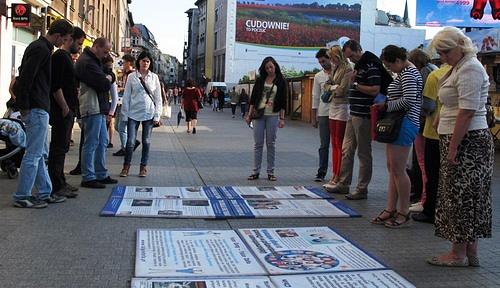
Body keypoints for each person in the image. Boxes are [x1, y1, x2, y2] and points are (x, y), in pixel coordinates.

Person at [426, 27, 493, 267]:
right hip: (462, 139)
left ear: (459, 46)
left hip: (468, 142)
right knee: (464, 195)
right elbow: (453, 101)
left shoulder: (471, 68)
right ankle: (470, 250)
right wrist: (439, 118)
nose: (442, 57)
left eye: (445, 52)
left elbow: (466, 111)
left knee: (461, 197)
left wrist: (453, 147)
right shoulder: (459, 66)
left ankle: (457, 253)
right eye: (440, 53)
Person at [12, 19, 74, 208]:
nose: (63, 44)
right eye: (63, 40)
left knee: (40, 154)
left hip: (38, 106)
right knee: (33, 154)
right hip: (36, 107)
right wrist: (24, 106)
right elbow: (26, 78)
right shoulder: (41, 49)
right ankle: (22, 195)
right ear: (57, 36)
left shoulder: (40, 48)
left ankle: (45, 192)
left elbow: (26, 75)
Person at [328, 40, 392, 200]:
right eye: (348, 57)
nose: (350, 60)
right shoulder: (360, 65)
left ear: (358, 50)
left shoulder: (371, 66)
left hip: (364, 115)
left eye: (351, 56)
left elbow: (375, 90)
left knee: (363, 153)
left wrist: (354, 84)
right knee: (346, 149)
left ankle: (362, 188)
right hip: (353, 113)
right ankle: (343, 184)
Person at [371, 45, 423, 228]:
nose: (389, 69)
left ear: (399, 61)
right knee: (393, 168)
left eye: (389, 65)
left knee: (398, 169)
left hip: (404, 123)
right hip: (400, 123)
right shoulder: (405, 73)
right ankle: (390, 208)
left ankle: (403, 211)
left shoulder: (408, 74)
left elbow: (408, 100)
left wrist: (387, 106)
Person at [47, 26, 86, 199]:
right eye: (79, 43)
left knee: (63, 146)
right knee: (58, 147)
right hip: (62, 110)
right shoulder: (60, 57)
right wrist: (64, 107)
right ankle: (56, 184)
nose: (80, 47)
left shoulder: (66, 58)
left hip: (68, 108)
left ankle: (61, 180)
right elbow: (56, 85)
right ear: (70, 39)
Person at [75, 38, 118, 188]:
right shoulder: (87, 62)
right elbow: (103, 84)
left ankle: (100, 173)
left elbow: (104, 81)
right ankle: (88, 176)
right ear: (96, 47)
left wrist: (107, 75)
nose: (106, 55)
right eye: (105, 51)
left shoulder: (94, 60)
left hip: (98, 106)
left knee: (102, 142)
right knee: (91, 143)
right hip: (91, 106)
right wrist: (111, 76)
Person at [411, 64, 451, 224]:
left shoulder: (435, 76)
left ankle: (429, 208)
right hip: (451, 132)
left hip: (432, 131)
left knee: (429, 171)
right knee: (446, 174)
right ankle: (442, 209)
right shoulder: (456, 73)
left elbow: (427, 106)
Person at [119, 51, 162, 177]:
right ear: (139, 61)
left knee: (146, 141)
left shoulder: (154, 77)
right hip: (133, 113)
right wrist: (125, 114)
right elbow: (126, 96)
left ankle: (143, 167)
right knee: (131, 141)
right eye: (143, 60)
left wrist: (157, 115)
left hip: (149, 113)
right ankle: (126, 167)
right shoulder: (132, 76)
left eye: (148, 61)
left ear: (150, 63)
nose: (145, 63)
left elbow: (158, 98)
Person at [245, 57, 287, 181]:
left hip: (273, 116)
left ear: (275, 66)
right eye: (267, 68)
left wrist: (282, 118)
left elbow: (283, 101)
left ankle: (270, 172)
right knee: (258, 144)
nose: (269, 70)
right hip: (259, 115)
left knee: (271, 144)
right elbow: (253, 99)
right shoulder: (260, 80)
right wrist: (249, 115)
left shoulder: (281, 81)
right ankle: (256, 171)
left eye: (271, 67)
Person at [407, 49, 438, 212]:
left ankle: (425, 199)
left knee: (423, 162)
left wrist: (416, 113)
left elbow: (427, 103)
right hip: (432, 124)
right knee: (427, 164)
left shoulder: (428, 74)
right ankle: (424, 196)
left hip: (425, 123)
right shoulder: (435, 70)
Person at [322, 46, 353, 192]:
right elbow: (326, 85)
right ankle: (334, 175)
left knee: (339, 144)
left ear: (338, 56)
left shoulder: (348, 68)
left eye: (332, 57)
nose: (331, 60)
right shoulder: (335, 68)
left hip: (343, 107)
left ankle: (338, 177)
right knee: (333, 142)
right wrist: (334, 87)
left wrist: (332, 87)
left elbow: (343, 90)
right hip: (333, 106)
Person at [311, 48, 332, 182]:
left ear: (330, 58)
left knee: (339, 145)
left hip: (339, 113)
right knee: (324, 144)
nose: (322, 64)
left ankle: (338, 173)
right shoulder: (319, 76)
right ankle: (321, 171)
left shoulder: (339, 72)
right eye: (320, 62)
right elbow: (315, 96)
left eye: (324, 61)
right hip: (324, 113)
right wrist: (314, 116)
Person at [113, 54, 140, 156]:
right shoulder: (124, 74)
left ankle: (125, 148)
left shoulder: (133, 75)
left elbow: (134, 90)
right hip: (120, 102)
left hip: (128, 104)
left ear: (129, 63)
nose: (122, 64)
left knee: (121, 127)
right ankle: (132, 141)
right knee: (117, 126)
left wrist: (121, 89)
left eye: (123, 62)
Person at [103, 55, 118, 149]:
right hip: (104, 107)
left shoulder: (111, 76)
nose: (110, 68)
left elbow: (114, 96)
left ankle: (109, 141)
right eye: (108, 66)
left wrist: (111, 113)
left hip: (106, 106)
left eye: (111, 66)